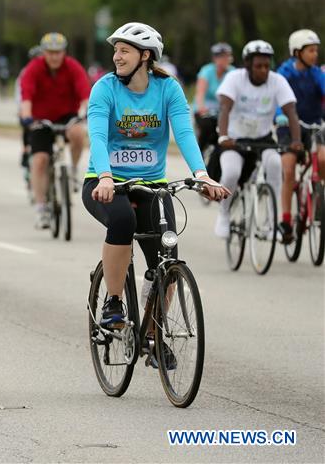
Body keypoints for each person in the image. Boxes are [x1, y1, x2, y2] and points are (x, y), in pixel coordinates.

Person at [82, 22, 228, 368]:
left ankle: (151, 334)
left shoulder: (168, 89)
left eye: (124, 50)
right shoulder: (104, 89)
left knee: (167, 254)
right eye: (115, 50)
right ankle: (114, 302)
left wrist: (202, 175)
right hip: (105, 183)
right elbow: (98, 137)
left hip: (151, 184)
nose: (116, 56)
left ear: (145, 56)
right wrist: (104, 176)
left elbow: (185, 135)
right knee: (122, 220)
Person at [213, 40, 303, 240]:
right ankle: (224, 213)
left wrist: (296, 140)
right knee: (231, 172)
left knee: (274, 164)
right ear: (247, 65)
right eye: (258, 66)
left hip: (262, 138)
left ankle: (271, 222)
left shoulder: (277, 81)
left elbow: (291, 112)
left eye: (266, 65)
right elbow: (225, 108)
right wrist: (224, 136)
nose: (263, 70)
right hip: (235, 140)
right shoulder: (234, 78)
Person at [18, 32, 91, 228]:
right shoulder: (34, 68)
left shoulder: (73, 67)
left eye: (58, 52)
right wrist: (26, 117)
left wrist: (85, 112)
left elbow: (85, 93)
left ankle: (73, 171)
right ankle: (41, 208)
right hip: (40, 119)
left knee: (78, 133)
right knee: (40, 160)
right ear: (44, 53)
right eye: (50, 53)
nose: (54, 57)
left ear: (64, 52)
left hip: (68, 115)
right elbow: (27, 96)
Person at [277, 30, 325, 233]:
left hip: (314, 125)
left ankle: (318, 193)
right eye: (311, 50)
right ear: (297, 52)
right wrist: (279, 115)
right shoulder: (284, 73)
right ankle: (286, 219)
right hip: (289, 126)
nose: (315, 54)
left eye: (316, 50)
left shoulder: (316, 74)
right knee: (288, 170)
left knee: (323, 159)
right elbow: (276, 94)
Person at [193, 43, 235, 155]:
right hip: (206, 110)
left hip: (224, 111)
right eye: (221, 56)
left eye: (227, 56)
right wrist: (201, 107)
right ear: (215, 58)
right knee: (206, 127)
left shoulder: (232, 72)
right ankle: (198, 155)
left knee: (224, 135)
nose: (224, 59)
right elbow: (200, 92)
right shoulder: (207, 71)